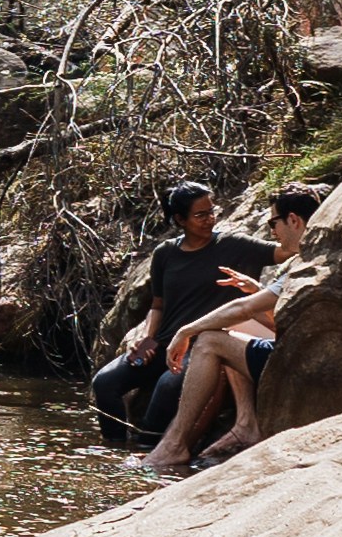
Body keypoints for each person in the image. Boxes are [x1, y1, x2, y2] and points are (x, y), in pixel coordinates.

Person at [145, 180, 325, 471]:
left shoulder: (303, 261)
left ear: (293, 220)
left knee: (210, 340)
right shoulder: (317, 253)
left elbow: (247, 308)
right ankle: (246, 423)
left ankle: (174, 446)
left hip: (302, 358)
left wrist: (187, 330)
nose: (272, 231)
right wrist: (256, 290)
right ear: (180, 220)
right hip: (307, 345)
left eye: (273, 223)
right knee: (231, 328)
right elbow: (276, 316)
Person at [90, 181, 258, 451]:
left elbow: (282, 251)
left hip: (203, 347)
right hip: (164, 343)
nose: (210, 219)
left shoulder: (234, 245)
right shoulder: (165, 253)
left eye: (212, 212)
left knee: (168, 386)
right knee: (105, 383)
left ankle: (148, 450)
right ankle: (115, 448)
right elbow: (157, 305)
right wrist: (147, 339)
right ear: (180, 219)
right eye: (201, 215)